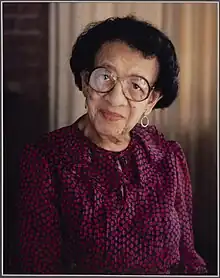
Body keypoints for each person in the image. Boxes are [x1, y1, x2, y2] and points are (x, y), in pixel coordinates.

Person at [18, 15, 207, 274]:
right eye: (105, 76)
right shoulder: (45, 161)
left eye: (136, 85)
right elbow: (37, 269)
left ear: (151, 101)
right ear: (85, 82)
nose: (116, 98)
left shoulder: (168, 158)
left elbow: (189, 259)